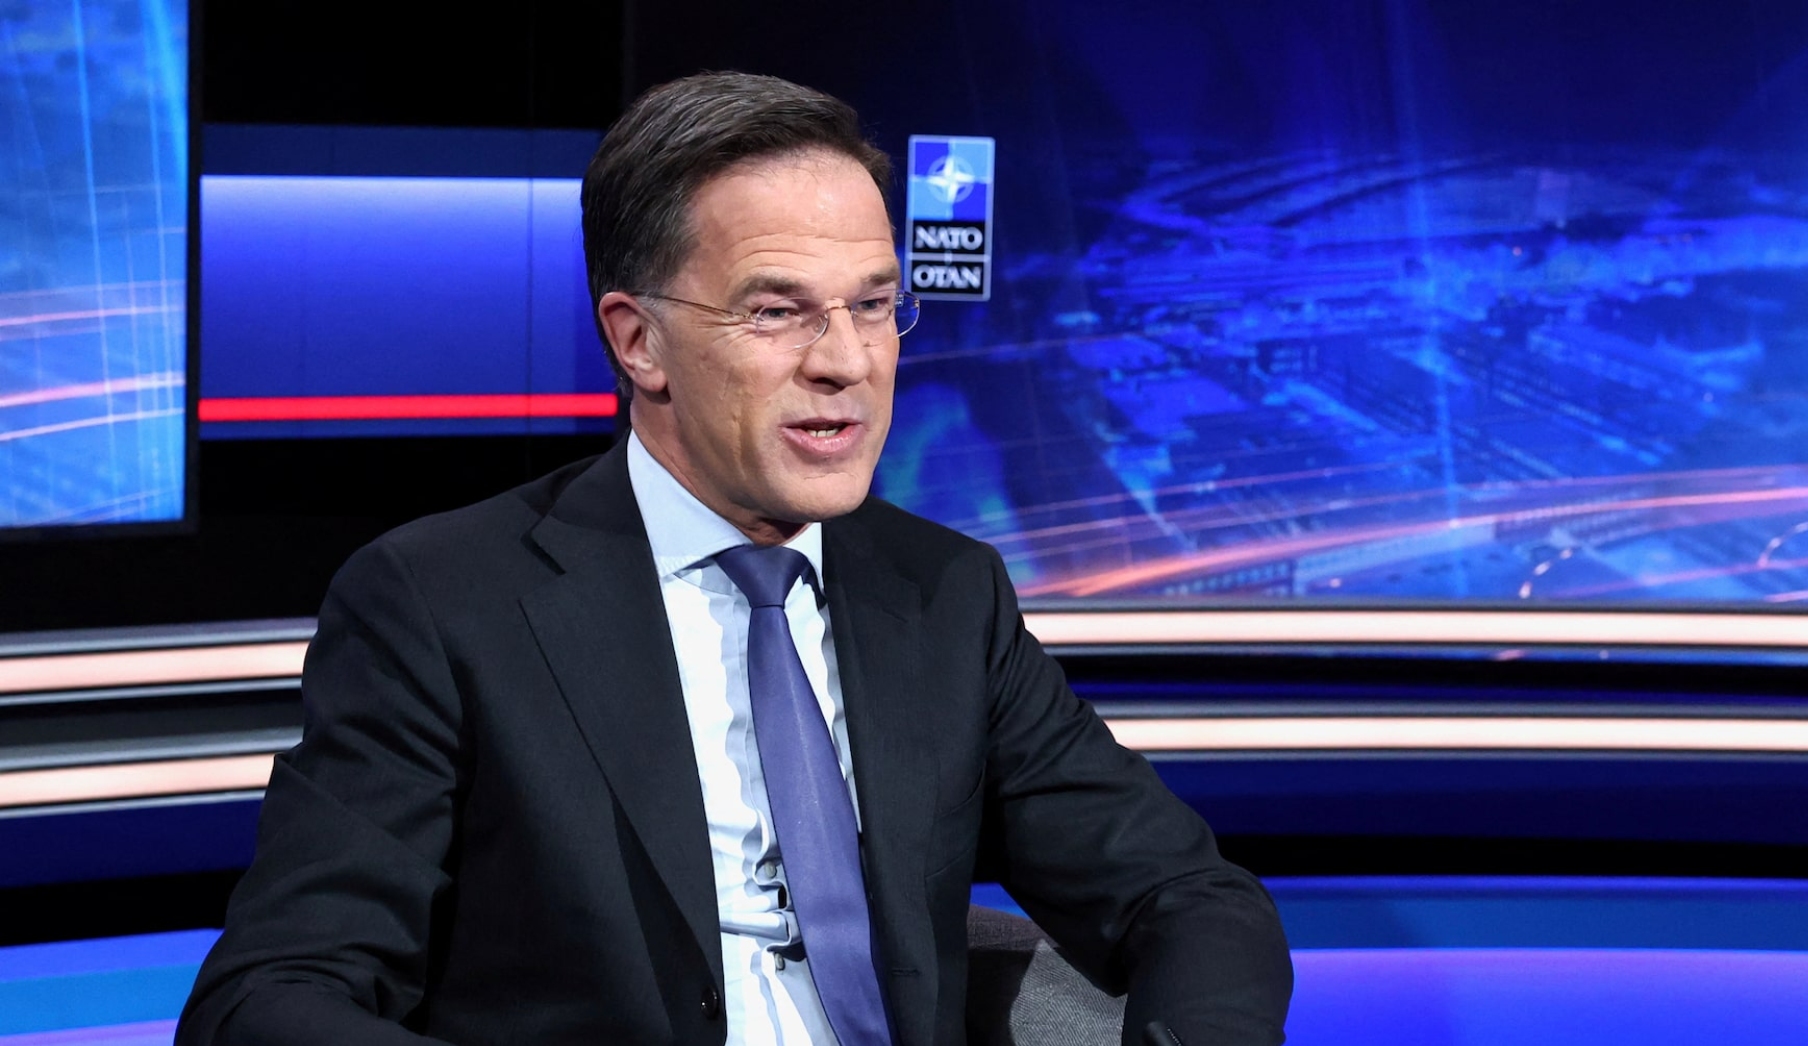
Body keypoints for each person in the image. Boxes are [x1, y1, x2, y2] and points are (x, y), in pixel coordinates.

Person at [176, 71, 1292, 1046]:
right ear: (638, 340)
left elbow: (1190, 899)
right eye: (776, 312)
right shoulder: (441, 602)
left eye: (873, 305)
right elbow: (271, 996)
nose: (847, 362)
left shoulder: (946, 593)